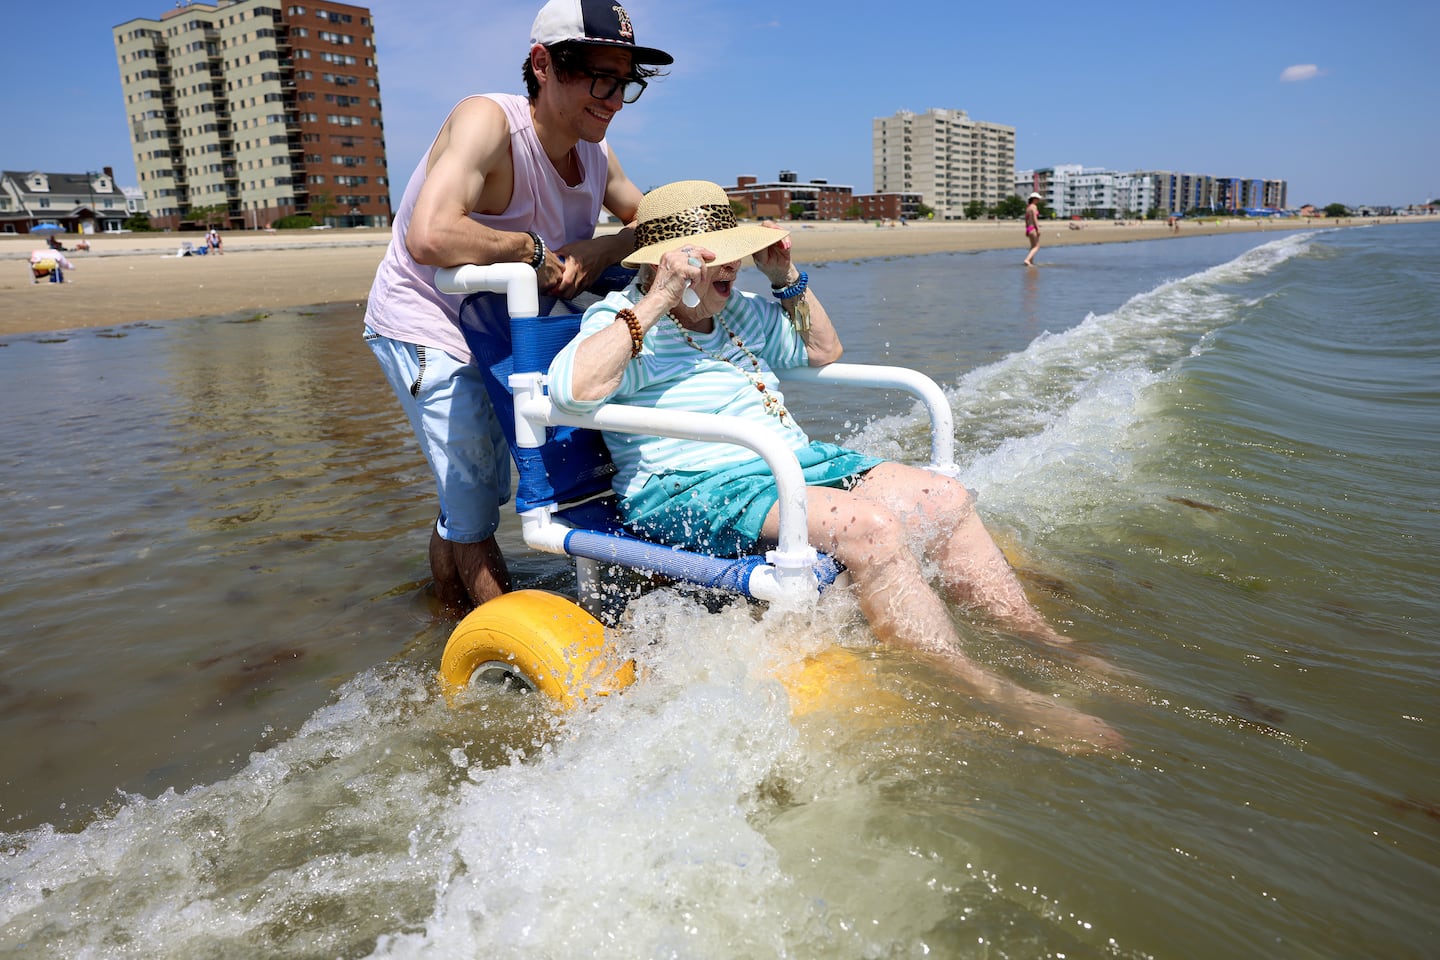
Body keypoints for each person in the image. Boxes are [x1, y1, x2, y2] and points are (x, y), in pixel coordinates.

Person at [547, 181, 1122, 752]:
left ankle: (1045, 642)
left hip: (789, 464)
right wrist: (658, 299)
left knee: (945, 498)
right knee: (873, 530)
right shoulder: (620, 316)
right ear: (669, 264)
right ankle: (980, 687)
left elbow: (823, 352)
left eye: (734, 255)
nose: (730, 269)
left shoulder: (735, 312)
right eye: (713, 258)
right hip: (692, 486)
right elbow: (571, 392)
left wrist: (783, 278)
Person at [363, 0, 672, 615]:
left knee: (553, 476)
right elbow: (429, 234)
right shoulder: (489, 123)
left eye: (626, 83)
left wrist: (600, 245)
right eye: (600, 78)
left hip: (519, 328)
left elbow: (656, 223)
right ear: (543, 64)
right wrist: (531, 250)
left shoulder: (594, 152)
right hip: (433, 321)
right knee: (476, 492)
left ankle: (443, 620)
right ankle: (496, 635)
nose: (613, 98)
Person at [1023, 192, 1042, 266]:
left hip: (1029, 228)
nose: (1038, 200)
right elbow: (1034, 218)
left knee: (1032, 246)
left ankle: (1030, 261)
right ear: (1034, 199)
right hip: (1033, 228)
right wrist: (1038, 229)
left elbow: (1026, 219)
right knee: (1037, 246)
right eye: (1037, 199)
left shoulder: (1028, 207)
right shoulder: (1034, 207)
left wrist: (1026, 229)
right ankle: (1027, 260)